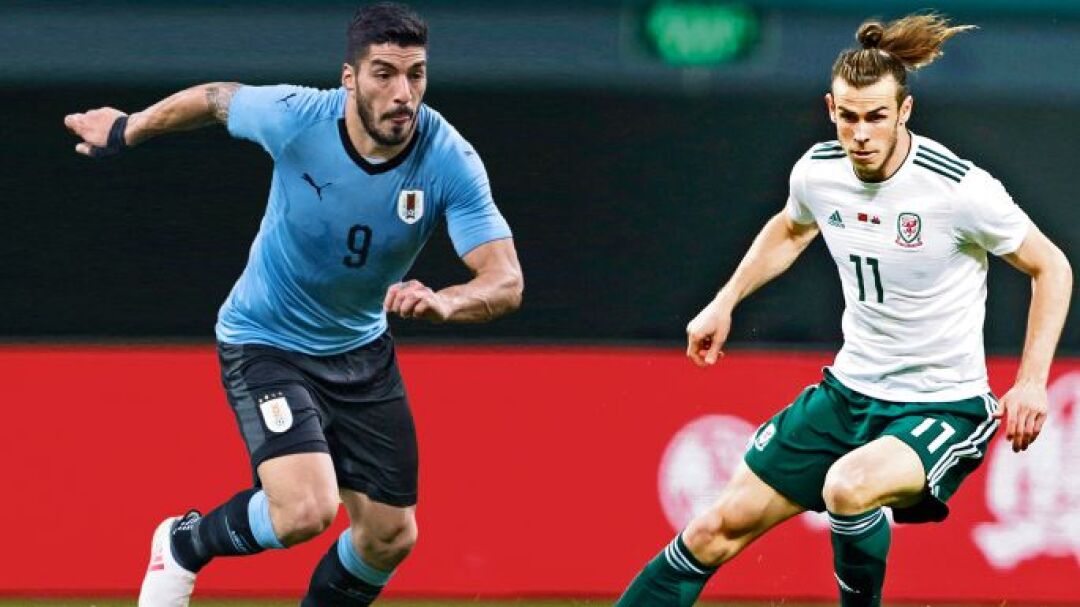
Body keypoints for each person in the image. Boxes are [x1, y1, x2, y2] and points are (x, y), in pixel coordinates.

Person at [64, 3, 523, 605]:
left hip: (362, 352)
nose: (403, 94)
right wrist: (129, 128)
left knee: (390, 537)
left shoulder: (448, 159)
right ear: (349, 79)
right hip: (266, 341)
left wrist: (447, 302)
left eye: (415, 75)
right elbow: (216, 98)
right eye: (384, 73)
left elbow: (505, 279)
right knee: (305, 510)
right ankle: (183, 544)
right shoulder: (296, 116)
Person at [616, 14, 1071, 607]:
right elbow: (790, 229)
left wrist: (1031, 382)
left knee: (848, 487)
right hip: (847, 395)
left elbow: (1052, 266)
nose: (860, 134)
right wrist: (724, 301)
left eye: (876, 117)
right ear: (830, 108)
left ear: (904, 112)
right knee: (711, 531)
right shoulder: (818, 172)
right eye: (848, 117)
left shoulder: (959, 189)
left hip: (941, 404)